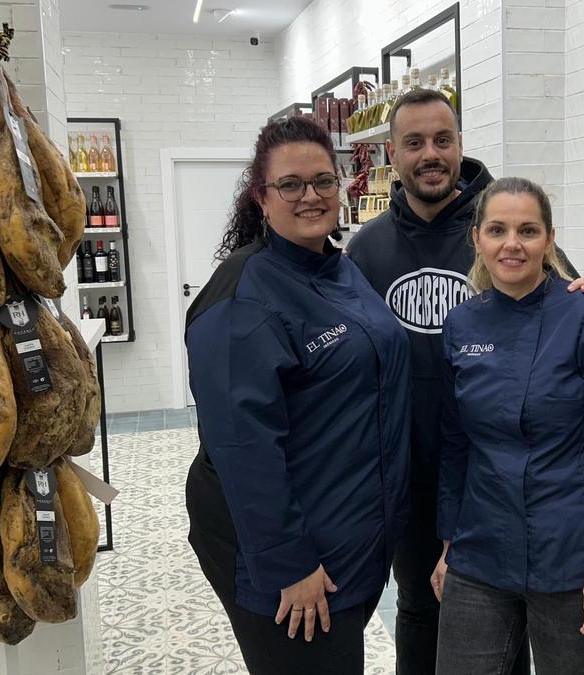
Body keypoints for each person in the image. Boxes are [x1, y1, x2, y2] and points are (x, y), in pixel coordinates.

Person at [347, 87, 584, 675]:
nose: (430, 154)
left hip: (497, 476)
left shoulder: (503, 226)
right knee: (419, 607)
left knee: (506, 616)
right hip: (412, 473)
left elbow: (563, 299)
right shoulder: (366, 251)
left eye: (443, 140)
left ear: (460, 145)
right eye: (414, 142)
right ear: (393, 154)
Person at [184, 115, 411, 674]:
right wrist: (289, 564)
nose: (311, 196)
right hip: (287, 562)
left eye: (323, 180)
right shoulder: (241, 299)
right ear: (261, 197)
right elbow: (242, 447)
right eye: (290, 184)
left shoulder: (338, 268)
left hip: (348, 539)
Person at [431, 177, 584, 674]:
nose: (512, 244)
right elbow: (456, 444)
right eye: (497, 230)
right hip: (480, 551)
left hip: (571, 558)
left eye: (527, 231)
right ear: (477, 239)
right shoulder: (462, 324)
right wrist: (449, 544)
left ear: (549, 239)